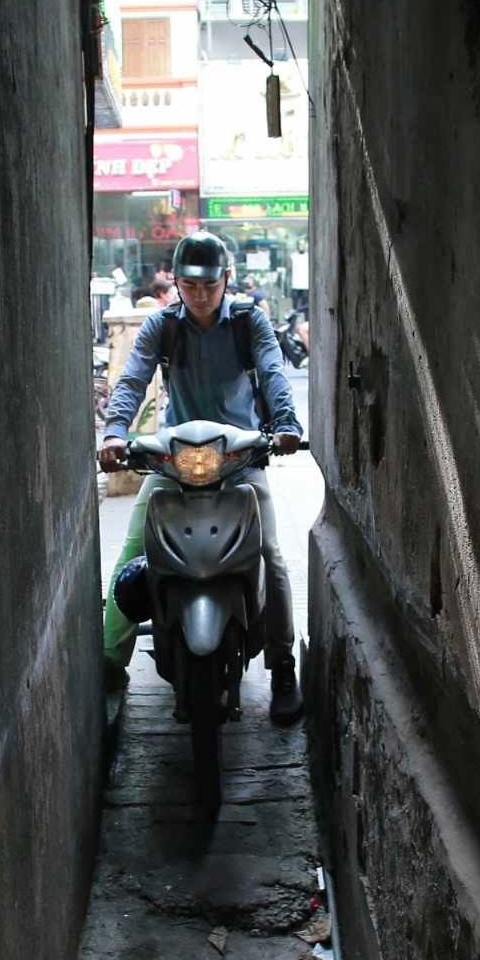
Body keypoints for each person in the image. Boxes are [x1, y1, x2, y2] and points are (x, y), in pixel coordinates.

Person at [98, 232, 305, 719]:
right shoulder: (162, 326)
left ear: (225, 280)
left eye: (208, 285)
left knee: (270, 554)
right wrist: (114, 433)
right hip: (177, 458)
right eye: (189, 285)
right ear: (176, 283)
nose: (198, 294)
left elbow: (273, 373)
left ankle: (282, 666)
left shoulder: (248, 323)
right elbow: (132, 378)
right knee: (134, 546)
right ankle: (109, 657)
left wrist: (288, 426)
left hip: (240, 456)